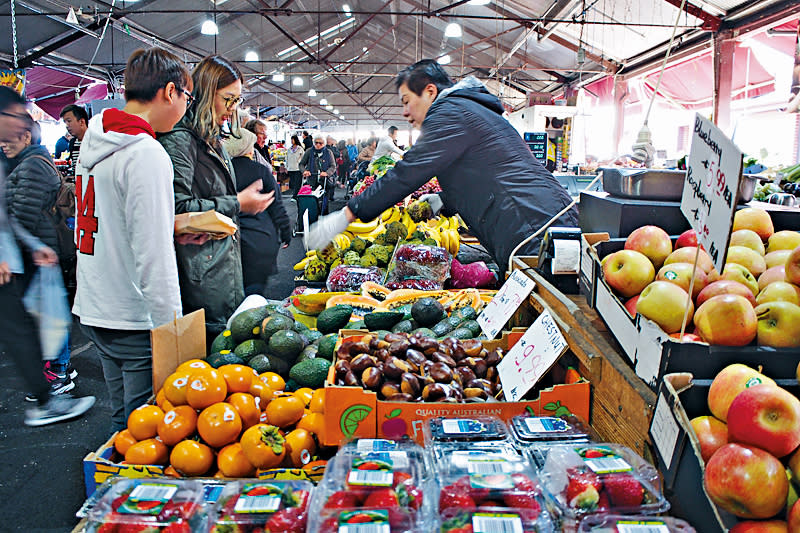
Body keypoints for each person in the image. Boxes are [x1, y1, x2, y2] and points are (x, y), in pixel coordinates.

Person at [307, 59, 579, 271]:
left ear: (429, 91)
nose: (404, 112)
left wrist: (348, 214)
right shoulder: (466, 110)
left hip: (534, 225)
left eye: (406, 101)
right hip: (538, 220)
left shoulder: (450, 113)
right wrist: (442, 200)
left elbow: (407, 173)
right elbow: (480, 172)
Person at [73, 47, 204, 432]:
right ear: (169, 92)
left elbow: (109, 219)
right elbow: (154, 258)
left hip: (96, 305)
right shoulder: (146, 153)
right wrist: (172, 333)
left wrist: (173, 227)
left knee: (123, 421)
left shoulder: (95, 141)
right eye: (187, 97)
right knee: (149, 430)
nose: (185, 106)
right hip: (133, 317)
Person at [158, 55, 274, 338]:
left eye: (237, 101)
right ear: (207, 93)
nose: (233, 109)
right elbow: (177, 207)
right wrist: (238, 203)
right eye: (228, 99)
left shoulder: (209, 138)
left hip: (219, 264)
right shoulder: (180, 140)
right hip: (200, 271)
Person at [0, 86, 95, 427]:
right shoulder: (16, 162)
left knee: (33, 322)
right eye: (16, 115)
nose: (19, 124)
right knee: (30, 323)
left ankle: (50, 389)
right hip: (19, 256)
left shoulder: (27, 164)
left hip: (26, 254)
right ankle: (47, 392)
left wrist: (25, 245)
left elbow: (12, 214)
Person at [1, 116, 77, 397]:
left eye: (9, 137)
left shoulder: (33, 165)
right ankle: (61, 367)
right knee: (49, 312)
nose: (3, 143)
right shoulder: (28, 163)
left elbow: (22, 214)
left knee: (47, 315)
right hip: (37, 250)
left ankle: (58, 372)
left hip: (37, 251)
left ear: (26, 137)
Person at [224, 128, 291, 296]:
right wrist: (286, 232)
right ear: (248, 148)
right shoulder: (260, 170)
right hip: (259, 240)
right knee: (253, 294)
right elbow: (277, 205)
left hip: (228, 241)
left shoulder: (223, 171)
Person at [299, 134, 336, 214]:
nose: (318, 145)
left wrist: (327, 173)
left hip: (325, 182)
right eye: (316, 143)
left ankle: (324, 218)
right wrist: (304, 171)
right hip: (312, 180)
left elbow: (333, 166)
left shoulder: (328, 152)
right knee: (312, 202)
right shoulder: (309, 151)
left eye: (320, 143)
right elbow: (301, 164)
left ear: (324, 144)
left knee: (324, 203)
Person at [59, 104, 89, 174]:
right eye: (65, 122)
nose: (67, 126)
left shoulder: (94, 141)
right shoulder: (72, 143)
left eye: (69, 121)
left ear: (82, 122)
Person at [286, 134, 304, 199]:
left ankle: (295, 196)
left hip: (298, 169)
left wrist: (303, 168)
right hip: (290, 168)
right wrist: (286, 167)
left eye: (293, 139)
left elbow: (303, 159)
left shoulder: (300, 149)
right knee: (293, 183)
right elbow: (287, 159)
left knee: (297, 183)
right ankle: (296, 195)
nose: (292, 141)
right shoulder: (289, 149)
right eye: (291, 139)